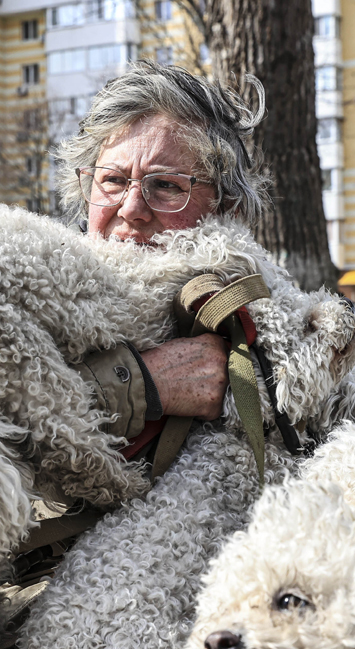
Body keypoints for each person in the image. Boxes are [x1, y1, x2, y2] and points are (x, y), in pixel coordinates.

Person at [59, 61, 271, 442]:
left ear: (227, 209)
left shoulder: (280, 329)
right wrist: (145, 382)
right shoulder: (35, 296)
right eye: (112, 180)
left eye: (167, 186)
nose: (130, 209)